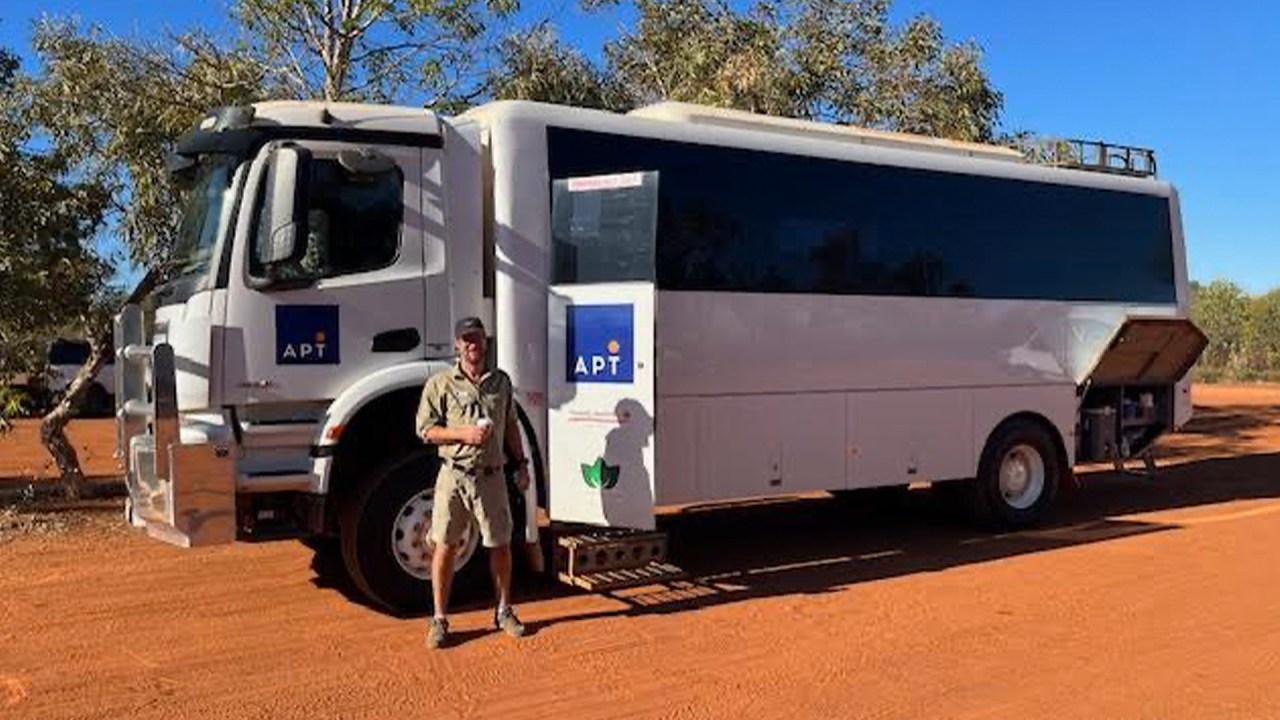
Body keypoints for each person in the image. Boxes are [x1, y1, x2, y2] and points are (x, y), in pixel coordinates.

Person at [415, 316, 532, 649]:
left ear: (486, 343)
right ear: (456, 344)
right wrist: (462, 433)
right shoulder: (440, 384)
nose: (472, 345)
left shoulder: (501, 383)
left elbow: (510, 426)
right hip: (453, 476)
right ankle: (439, 619)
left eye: (477, 339)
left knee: (500, 545)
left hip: (492, 477)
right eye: (466, 339)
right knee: (445, 545)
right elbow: (426, 431)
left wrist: (521, 464)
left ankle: (504, 611)